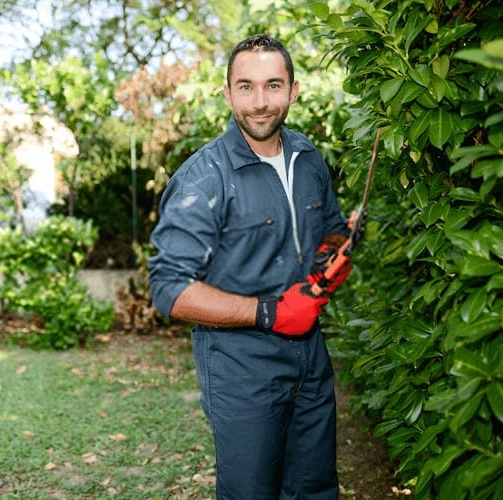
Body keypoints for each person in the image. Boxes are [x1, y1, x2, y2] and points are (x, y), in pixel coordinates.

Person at [148, 34, 358, 499]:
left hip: (310, 360)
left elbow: (326, 230)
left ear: (294, 90)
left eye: (273, 85)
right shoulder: (204, 178)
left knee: (315, 488)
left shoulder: (307, 158)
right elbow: (169, 288)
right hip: (240, 368)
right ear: (227, 94)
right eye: (246, 87)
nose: (260, 102)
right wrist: (270, 313)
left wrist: (339, 245)